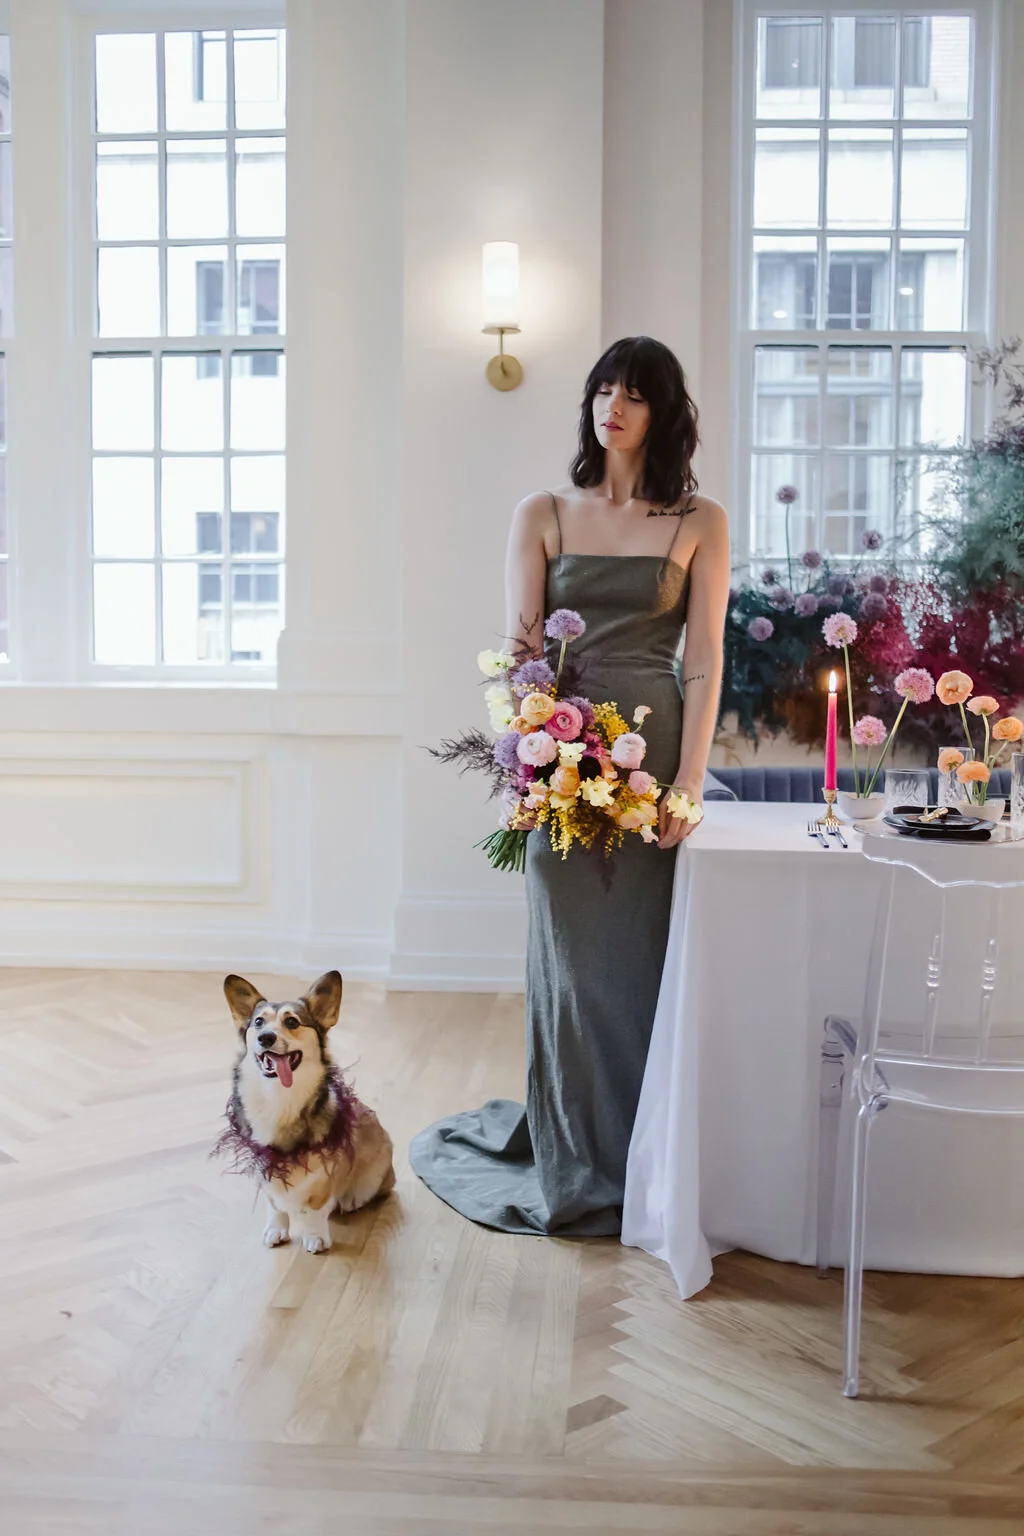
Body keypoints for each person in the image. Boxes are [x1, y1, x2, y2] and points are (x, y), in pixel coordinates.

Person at [411, 335, 730, 1235]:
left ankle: (646, 1155)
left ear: (663, 412)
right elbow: (522, 653)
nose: (611, 406)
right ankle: (574, 1153)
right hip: (562, 760)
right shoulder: (544, 509)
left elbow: (703, 661)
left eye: (632, 394)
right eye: (601, 391)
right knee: (572, 967)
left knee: (642, 967)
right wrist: (534, 756)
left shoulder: (699, 518)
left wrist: (690, 782)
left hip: (656, 755)